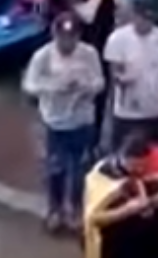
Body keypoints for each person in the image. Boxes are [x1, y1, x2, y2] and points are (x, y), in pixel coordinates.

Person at [23, 12, 106, 232]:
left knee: (80, 168)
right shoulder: (43, 56)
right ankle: (55, 208)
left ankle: (75, 209)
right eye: (62, 37)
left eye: (72, 37)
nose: (67, 42)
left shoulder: (89, 54)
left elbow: (99, 82)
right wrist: (52, 87)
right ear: (55, 34)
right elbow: (29, 85)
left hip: (82, 121)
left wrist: (85, 86)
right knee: (55, 168)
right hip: (54, 122)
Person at [103, 1, 158, 149]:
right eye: (144, 18)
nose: (147, 23)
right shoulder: (118, 39)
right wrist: (122, 79)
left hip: (157, 108)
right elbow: (114, 71)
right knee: (125, 151)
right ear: (135, 16)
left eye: (150, 19)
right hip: (128, 110)